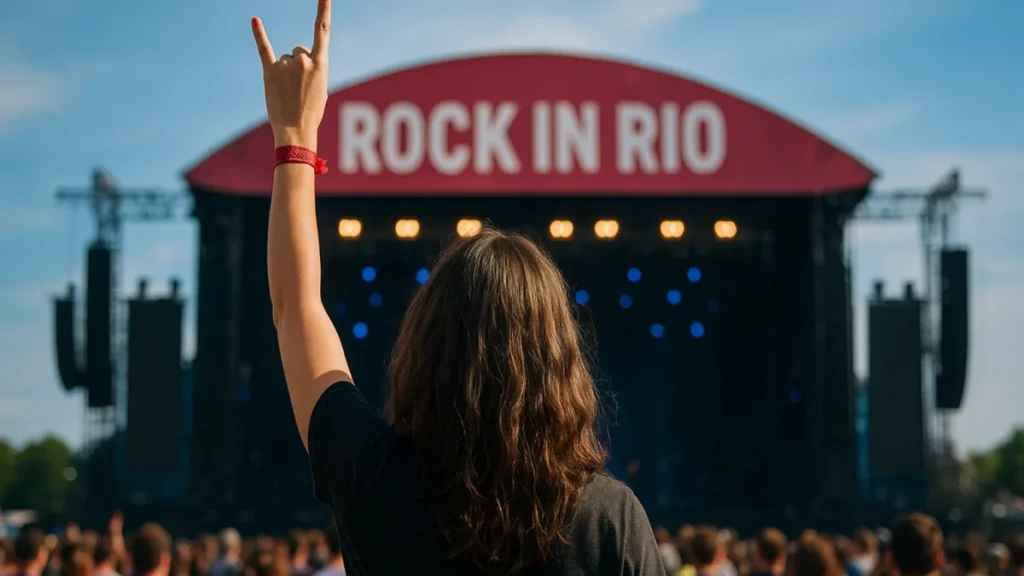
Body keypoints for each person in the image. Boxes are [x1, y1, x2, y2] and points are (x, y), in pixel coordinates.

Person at [250, 2, 664, 573]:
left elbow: (295, 309)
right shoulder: (609, 518)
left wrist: (295, 137)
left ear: (426, 347)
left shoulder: (373, 477)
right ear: (560, 362)